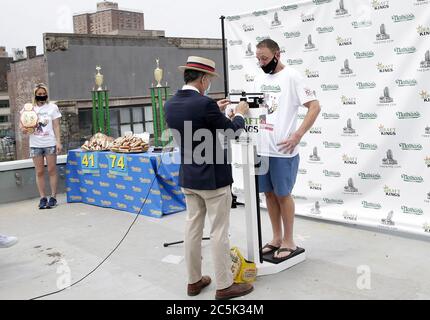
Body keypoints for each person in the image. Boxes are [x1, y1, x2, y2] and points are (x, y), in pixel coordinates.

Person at [165, 56, 253, 300]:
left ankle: (193, 281)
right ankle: (224, 285)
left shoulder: (170, 104)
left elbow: (195, 123)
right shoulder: (204, 105)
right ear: (203, 79)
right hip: (213, 179)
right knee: (218, 232)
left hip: (189, 178)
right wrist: (240, 115)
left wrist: (213, 108)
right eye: (209, 80)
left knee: (192, 228)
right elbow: (232, 131)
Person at [254, 39, 321, 261]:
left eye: (264, 58)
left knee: (283, 195)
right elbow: (254, 107)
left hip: (283, 150)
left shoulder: (293, 76)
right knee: (269, 194)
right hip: (261, 148)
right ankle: (276, 238)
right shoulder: (260, 77)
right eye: (258, 59)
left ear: (277, 54)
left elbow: (314, 106)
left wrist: (297, 135)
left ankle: (289, 241)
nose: (261, 62)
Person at [20, 83, 62, 209]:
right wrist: (24, 129)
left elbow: (56, 125)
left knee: (51, 170)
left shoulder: (52, 107)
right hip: (35, 144)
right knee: (39, 172)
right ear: (35, 95)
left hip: (49, 143)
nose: (42, 96)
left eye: (44, 94)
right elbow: (22, 126)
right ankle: (43, 198)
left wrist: (58, 141)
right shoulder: (28, 109)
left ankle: (53, 197)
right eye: (39, 94)